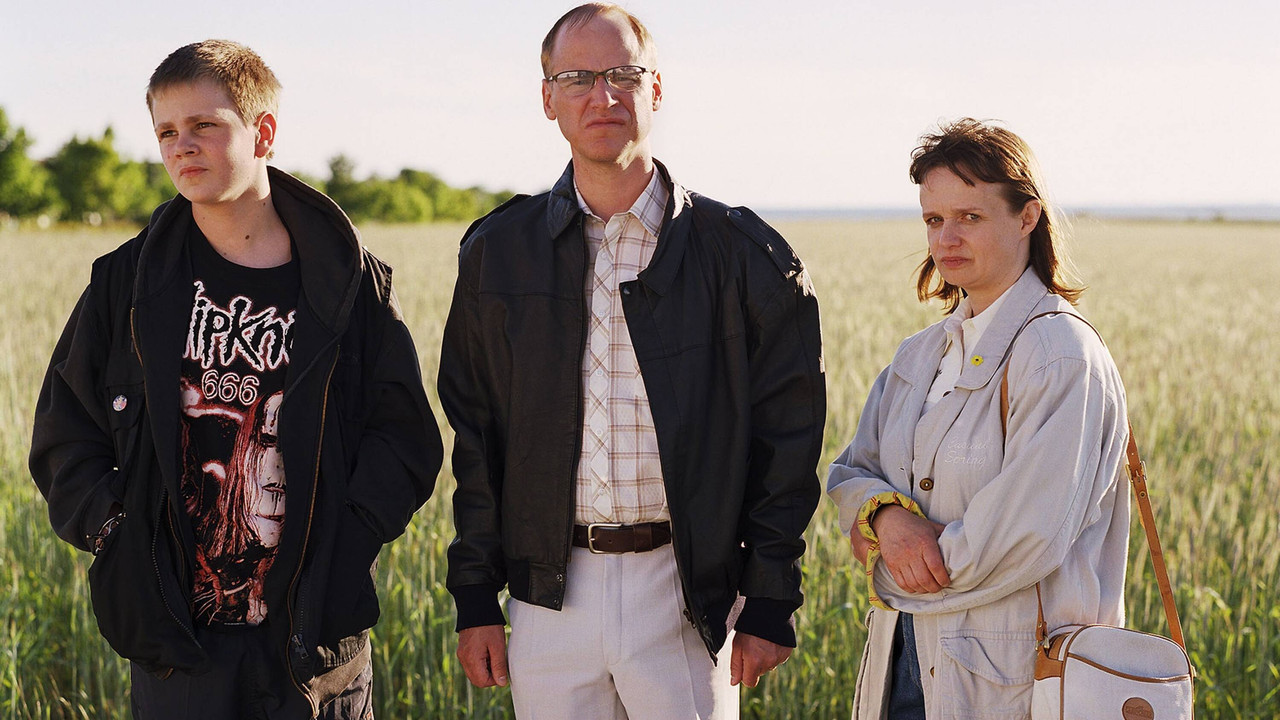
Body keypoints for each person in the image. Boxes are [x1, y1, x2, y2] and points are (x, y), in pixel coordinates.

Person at [29, 40, 442, 719]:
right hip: (177, 647)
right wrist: (118, 534)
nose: (182, 146)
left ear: (264, 132)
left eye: (205, 125)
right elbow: (63, 434)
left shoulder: (348, 285)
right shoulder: (125, 283)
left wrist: (348, 543)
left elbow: (404, 439)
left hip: (315, 647)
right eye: (166, 131)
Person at [437, 4, 826, 717]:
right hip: (547, 599)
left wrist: (770, 596)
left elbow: (788, 437)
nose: (603, 95)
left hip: (687, 591)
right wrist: (475, 597)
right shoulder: (498, 253)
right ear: (547, 97)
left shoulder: (741, 255)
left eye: (623, 74)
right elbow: (477, 438)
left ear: (656, 89)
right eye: (578, 78)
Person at [826, 119, 1131, 719]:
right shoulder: (918, 356)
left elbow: (1025, 536)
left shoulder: (1059, 355)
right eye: (933, 219)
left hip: (1014, 681)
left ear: (1027, 217)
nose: (947, 239)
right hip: (904, 663)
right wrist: (885, 516)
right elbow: (850, 472)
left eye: (970, 216)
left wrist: (893, 569)